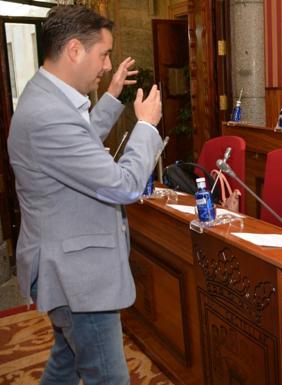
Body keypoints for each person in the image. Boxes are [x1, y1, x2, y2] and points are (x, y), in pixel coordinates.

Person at [7, 5, 162, 384]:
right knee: (108, 377)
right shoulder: (49, 113)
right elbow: (122, 184)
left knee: (66, 363)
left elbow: (77, 152)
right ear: (75, 49)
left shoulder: (45, 94)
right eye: (104, 54)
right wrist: (145, 127)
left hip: (66, 268)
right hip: (77, 277)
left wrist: (110, 97)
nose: (107, 65)